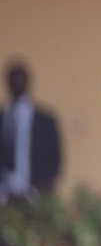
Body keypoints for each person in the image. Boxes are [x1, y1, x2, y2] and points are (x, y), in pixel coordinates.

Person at [2, 60, 62, 199]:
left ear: (27, 82)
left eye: (19, 79)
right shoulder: (4, 118)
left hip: (37, 192)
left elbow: (56, 158)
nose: (16, 83)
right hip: (5, 193)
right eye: (13, 80)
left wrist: (43, 185)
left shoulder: (45, 120)